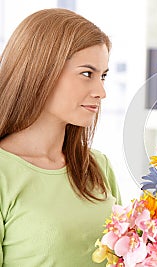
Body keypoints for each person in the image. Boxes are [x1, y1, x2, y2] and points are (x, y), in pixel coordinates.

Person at [0, 8, 121, 266]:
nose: (101, 91)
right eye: (87, 74)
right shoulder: (3, 173)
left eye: (103, 76)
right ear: (41, 70)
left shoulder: (98, 167)